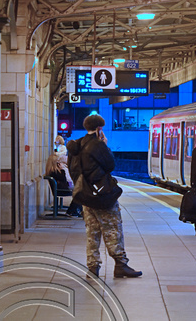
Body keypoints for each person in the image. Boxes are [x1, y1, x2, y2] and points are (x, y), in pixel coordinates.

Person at [67, 114, 142, 278]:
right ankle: (121, 264)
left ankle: (93, 268)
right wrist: (105, 146)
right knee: (113, 229)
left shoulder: (76, 145)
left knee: (92, 232)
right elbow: (110, 165)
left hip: (85, 196)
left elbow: (72, 170)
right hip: (102, 196)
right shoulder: (97, 145)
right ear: (100, 129)